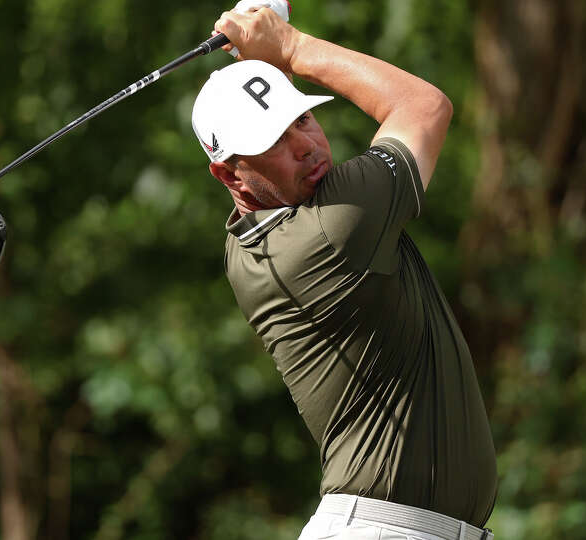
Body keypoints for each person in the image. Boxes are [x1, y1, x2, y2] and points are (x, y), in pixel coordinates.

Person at [191, 6, 497, 540]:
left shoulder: (247, 245)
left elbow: (271, 173)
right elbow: (424, 106)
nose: (306, 146)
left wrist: (265, 58)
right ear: (229, 175)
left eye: (302, 119)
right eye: (274, 140)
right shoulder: (333, 228)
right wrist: (290, 46)